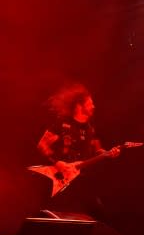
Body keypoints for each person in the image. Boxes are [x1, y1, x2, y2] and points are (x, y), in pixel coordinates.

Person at [35, 82, 120, 218]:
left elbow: (98, 151)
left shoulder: (91, 129)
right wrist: (57, 163)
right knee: (52, 214)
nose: (93, 106)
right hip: (61, 178)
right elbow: (42, 145)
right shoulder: (61, 123)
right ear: (79, 105)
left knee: (97, 213)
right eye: (90, 103)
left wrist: (109, 153)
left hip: (82, 179)